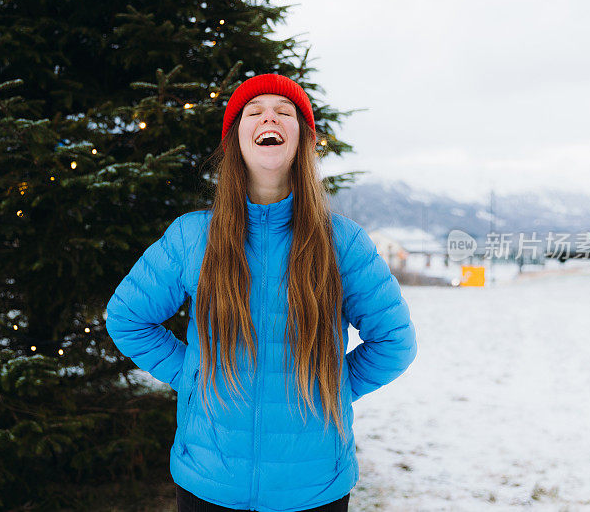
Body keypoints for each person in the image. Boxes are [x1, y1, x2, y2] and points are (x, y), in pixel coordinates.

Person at [105, 73, 417, 512]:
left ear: (303, 142)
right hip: (207, 483)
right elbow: (126, 318)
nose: (269, 116)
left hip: (312, 490)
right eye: (254, 111)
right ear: (234, 142)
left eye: (284, 112)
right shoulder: (192, 237)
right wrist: (193, 377)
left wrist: (331, 387)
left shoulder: (342, 243)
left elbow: (395, 342)